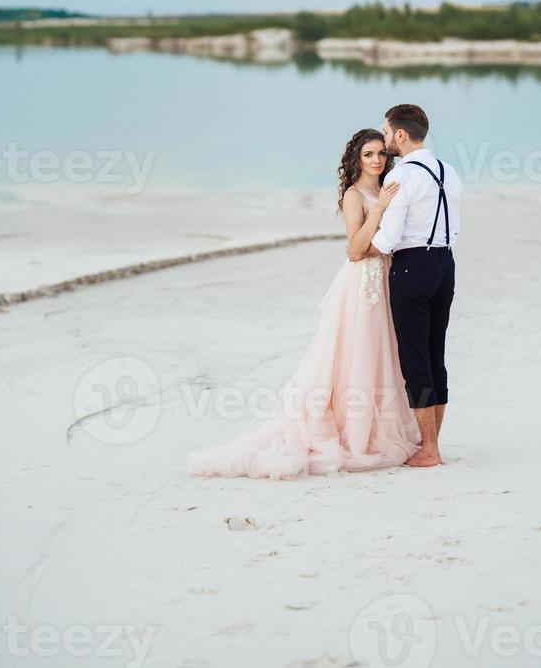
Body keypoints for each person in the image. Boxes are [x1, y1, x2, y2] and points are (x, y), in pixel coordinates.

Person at [187, 128, 420, 480]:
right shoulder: (355, 196)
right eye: (369, 154)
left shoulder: (386, 188)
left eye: (381, 154)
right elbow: (355, 248)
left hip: (386, 278)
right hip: (361, 284)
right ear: (356, 158)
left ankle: (377, 427)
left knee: (381, 354)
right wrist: (381, 210)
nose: (376, 161)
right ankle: (350, 432)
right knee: (353, 353)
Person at [348, 104, 461, 468]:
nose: (383, 139)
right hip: (445, 263)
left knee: (415, 360)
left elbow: (386, 240)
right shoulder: (449, 171)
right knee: (435, 354)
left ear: (400, 134)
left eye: (386, 132)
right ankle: (432, 443)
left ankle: (428, 449)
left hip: (413, 267)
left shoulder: (404, 177)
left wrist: (365, 246)